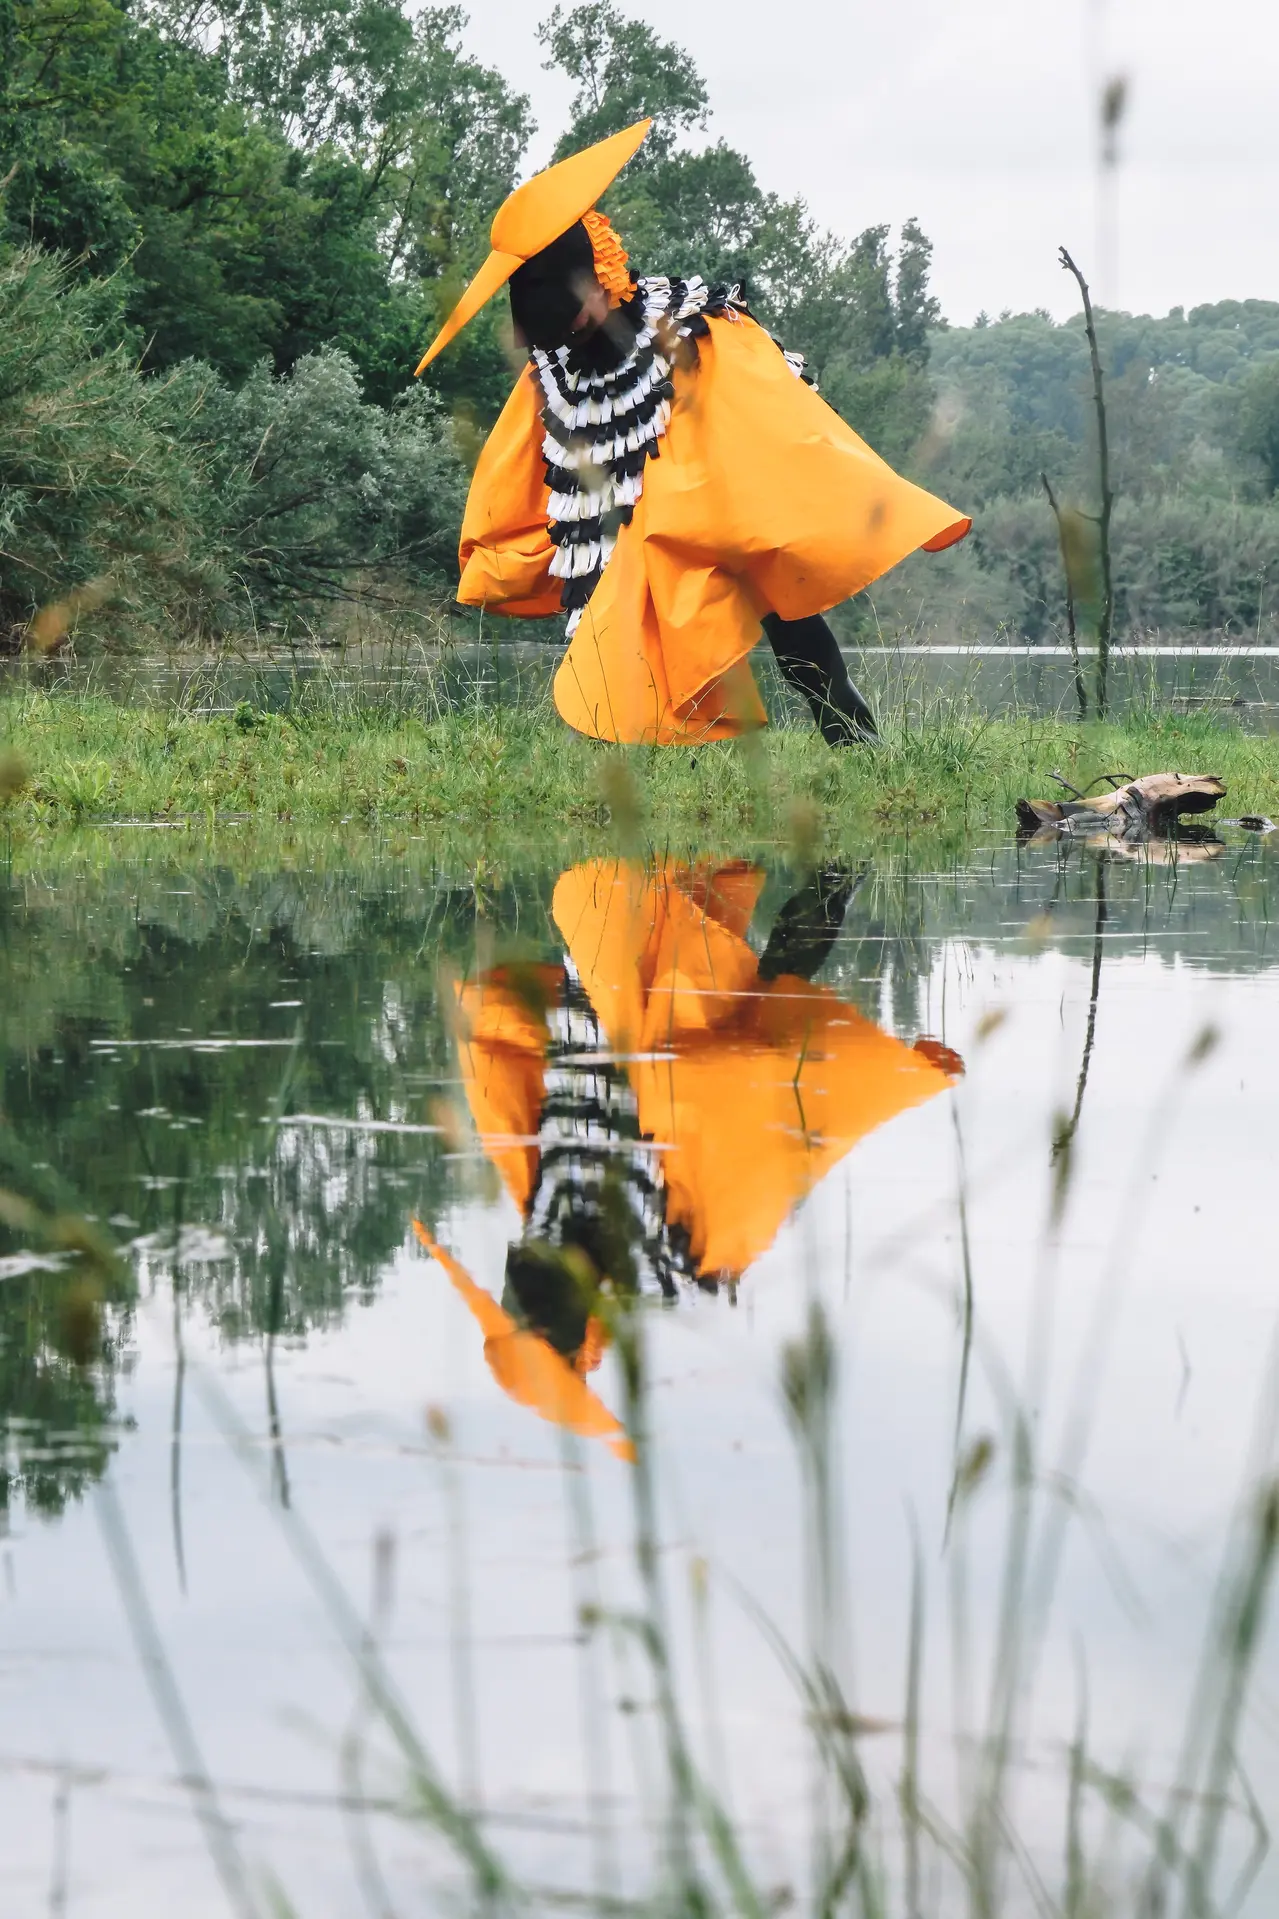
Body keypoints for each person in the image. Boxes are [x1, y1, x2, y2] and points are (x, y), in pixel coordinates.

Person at [416, 120, 971, 748]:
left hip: (715, 499)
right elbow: (520, 452)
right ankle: (624, 773)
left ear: (599, 285)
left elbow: (759, 404)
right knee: (604, 634)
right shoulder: (555, 366)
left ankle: (857, 744)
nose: (560, 338)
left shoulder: (690, 327)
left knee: (790, 624)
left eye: (570, 319)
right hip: (617, 521)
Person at [413, 856, 963, 1454]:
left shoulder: (541, 1219)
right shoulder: (653, 1266)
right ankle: (837, 874)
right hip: (690, 1064)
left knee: (693, 924)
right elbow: (712, 1219)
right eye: (523, 1306)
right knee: (771, 992)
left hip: (608, 1004)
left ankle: (764, 857)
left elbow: (526, 1109)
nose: (513, 1290)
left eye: (510, 1303)